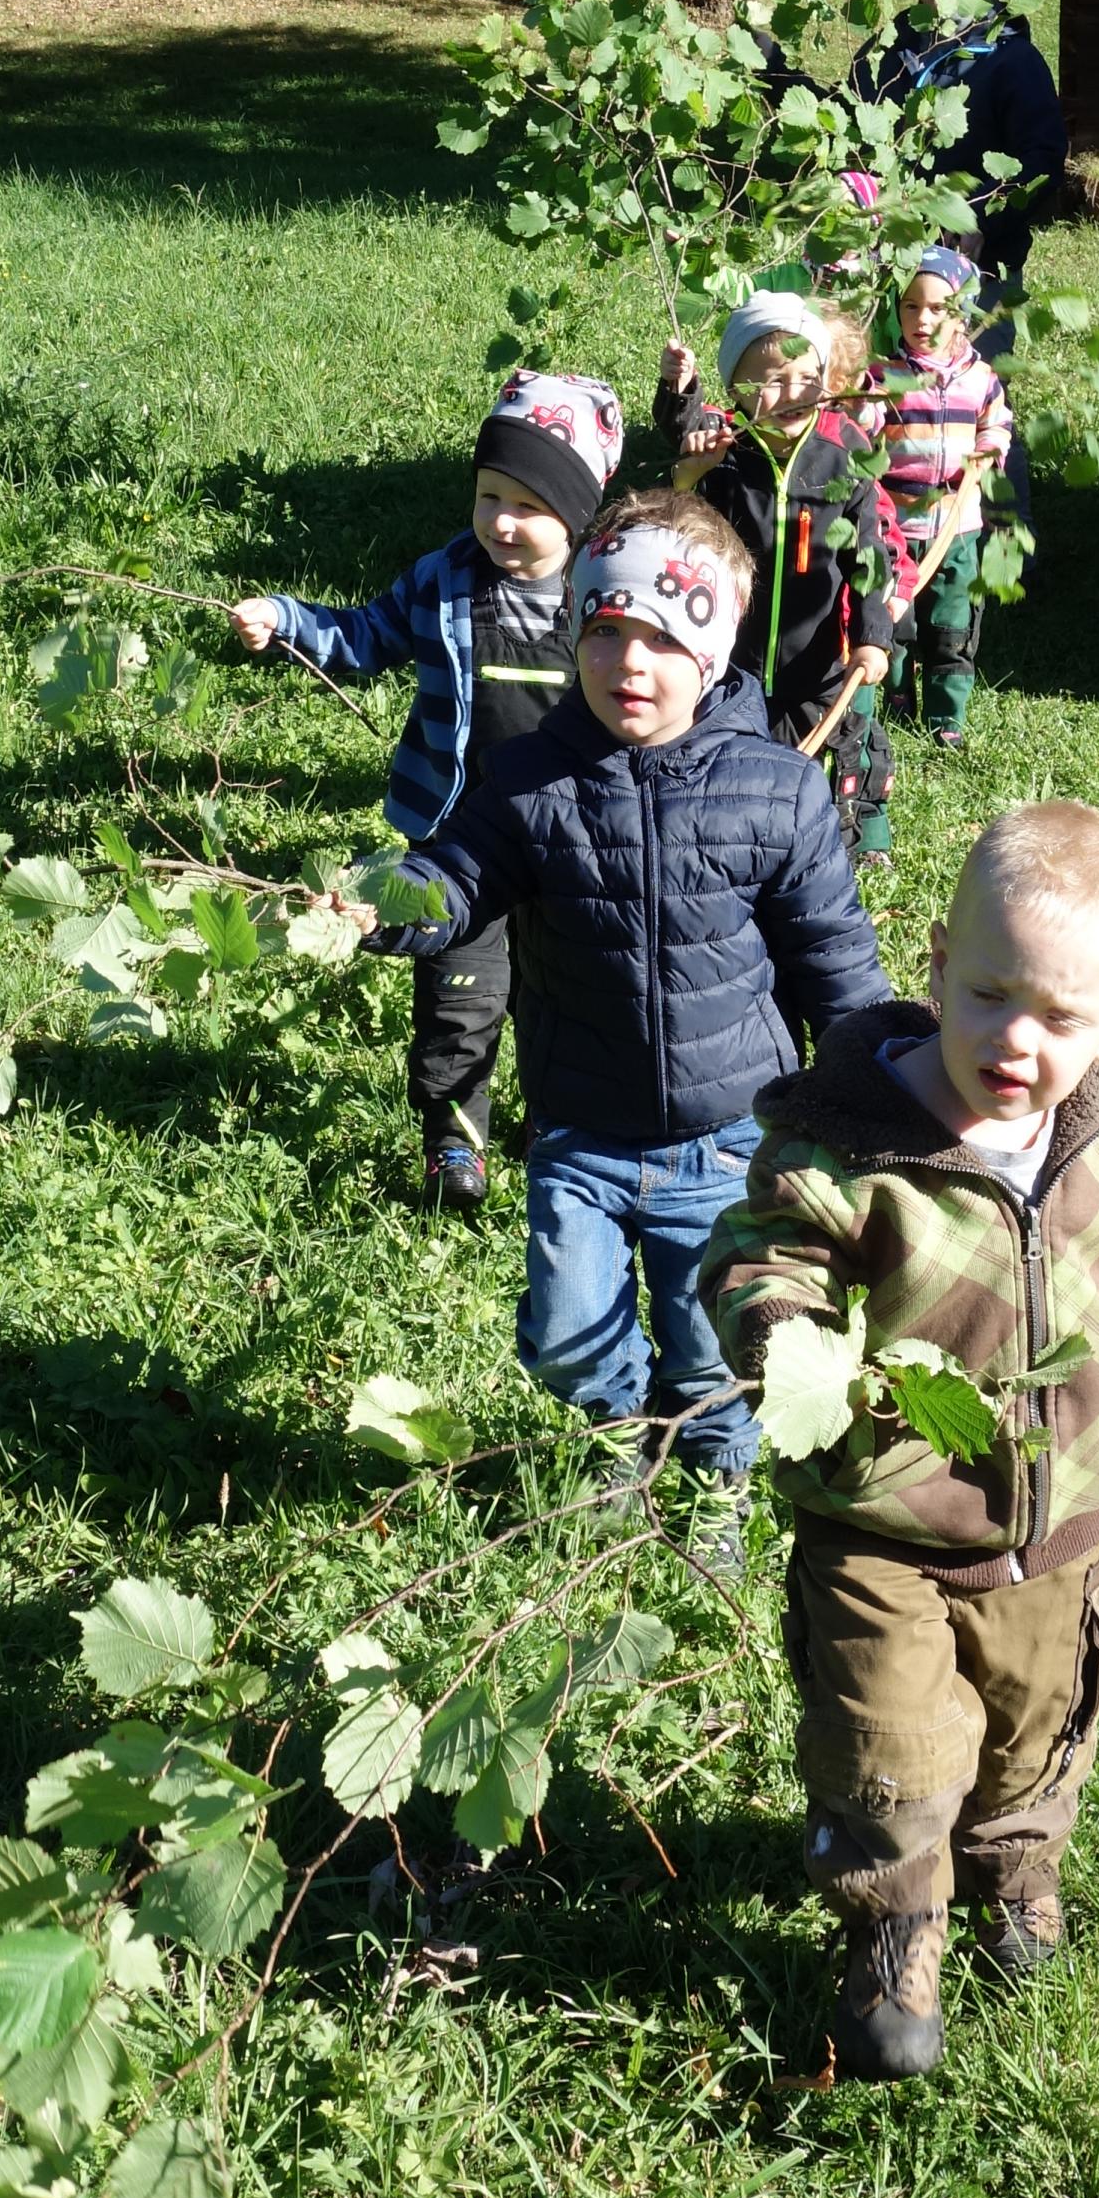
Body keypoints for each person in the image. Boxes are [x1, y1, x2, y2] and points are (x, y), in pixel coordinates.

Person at [703, 801, 1099, 2080]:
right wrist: (789, 1340)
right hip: (881, 1519)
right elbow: (759, 1259)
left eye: (1062, 1017)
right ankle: (896, 1919)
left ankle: (1014, 1869)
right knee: (886, 1746)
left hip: (1055, 1520)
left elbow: (1088, 1279)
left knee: (1041, 1722)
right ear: (937, 963)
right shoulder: (850, 1142)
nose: (1018, 1040)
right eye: (989, 995)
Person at [377, 491, 892, 1548]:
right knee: (567, 1339)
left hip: (729, 1138)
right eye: (604, 631)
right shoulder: (527, 779)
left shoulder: (777, 792)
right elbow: (456, 878)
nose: (628, 663)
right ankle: (619, 1435)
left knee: (718, 1351)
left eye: (660, 639)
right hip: (581, 1132)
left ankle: (715, 1488)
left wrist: (882, 1091)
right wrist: (378, 903)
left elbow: (834, 961)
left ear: (710, 654)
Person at [229, 370, 623, 1215]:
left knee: (567, 993)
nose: (501, 522)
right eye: (489, 497)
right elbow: (364, 634)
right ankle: (455, 1139)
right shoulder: (446, 580)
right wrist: (287, 619)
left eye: (528, 505)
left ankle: (557, 1122)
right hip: (459, 841)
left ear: (578, 512)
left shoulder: (605, 597)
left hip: (572, 843)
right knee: (459, 998)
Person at [652, 289, 900, 857]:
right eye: (774, 380)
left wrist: (872, 636)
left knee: (820, 761)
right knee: (729, 764)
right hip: (730, 662)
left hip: (813, 663)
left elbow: (868, 557)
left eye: (809, 376)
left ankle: (832, 845)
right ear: (737, 391)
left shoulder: (844, 458)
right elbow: (682, 463)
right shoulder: (726, 454)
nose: (796, 392)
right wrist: (683, 415)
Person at [854, 0, 1070, 301]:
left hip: (974, 275)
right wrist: (773, 64)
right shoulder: (886, 50)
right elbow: (846, 127)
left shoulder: (1011, 60)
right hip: (881, 267)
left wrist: (977, 218)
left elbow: (1043, 158)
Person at [874, 246, 1018, 752]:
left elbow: (997, 422)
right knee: (895, 620)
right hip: (896, 529)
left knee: (951, 626)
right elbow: (862, 430)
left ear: (962, 316)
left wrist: (989, 449)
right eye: (910, 306)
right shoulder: (885, 377)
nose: (922, 319)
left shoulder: (981, 379)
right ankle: (896, 698)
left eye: (937, 308)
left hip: (956, 528)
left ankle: (945, 717)